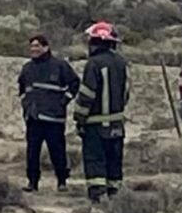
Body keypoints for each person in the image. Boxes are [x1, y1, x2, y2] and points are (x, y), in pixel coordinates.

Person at [72, 21, 130, 203]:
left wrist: (79, 118)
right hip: (117, 125)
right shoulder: (122, 63)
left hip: (95, 125)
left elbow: (87, 94)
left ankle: (97, 195)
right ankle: (115, 195)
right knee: (114, 161)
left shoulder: (94, 64)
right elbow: (126, 92)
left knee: (96, 160)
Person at [17, 34, 80, 192]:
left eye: (37, 46)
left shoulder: (59, 66)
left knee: (57, 151)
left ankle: (62, 182)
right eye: (31, 46)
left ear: (46, 47)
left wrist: (63, 101)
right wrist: (26, 103)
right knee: (32, 152)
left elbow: (74, 83)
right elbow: (22, 88)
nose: (34, 49)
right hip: (33, 117)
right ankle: (32, 182)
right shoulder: (27, 68)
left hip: (54, 119)